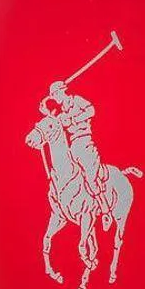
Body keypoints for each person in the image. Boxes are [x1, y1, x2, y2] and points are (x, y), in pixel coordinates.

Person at [47, 81, 112, 229]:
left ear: (61, 92)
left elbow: (91, 110)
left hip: (85, 142)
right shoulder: (61, 113)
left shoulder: (76, 100)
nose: (55, 98)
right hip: (73, 146)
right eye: (53, 96)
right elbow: (54, 125)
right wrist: (47, 113)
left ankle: (105, 210)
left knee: (90, 178)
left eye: (55, 95)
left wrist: (73, 119)